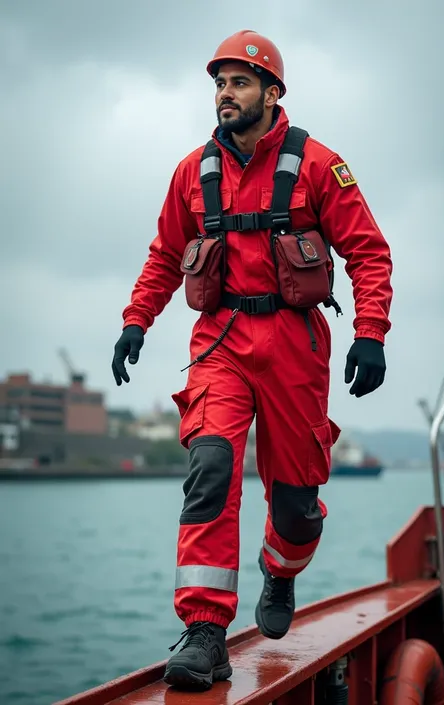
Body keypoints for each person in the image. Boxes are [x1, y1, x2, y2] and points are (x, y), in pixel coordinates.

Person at [111, 29, 393, 692]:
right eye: (219, 83)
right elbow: (162, 256)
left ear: (272, 92)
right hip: (220, 345)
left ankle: (281, 569)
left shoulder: (321, 166)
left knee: (296, 505)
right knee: (209, 468)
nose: (226, 94)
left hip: (296, 347)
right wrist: (134, 323)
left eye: (239, 82)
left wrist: (371, 333)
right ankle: (205, 632)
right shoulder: (191, 173)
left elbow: (368, 253)